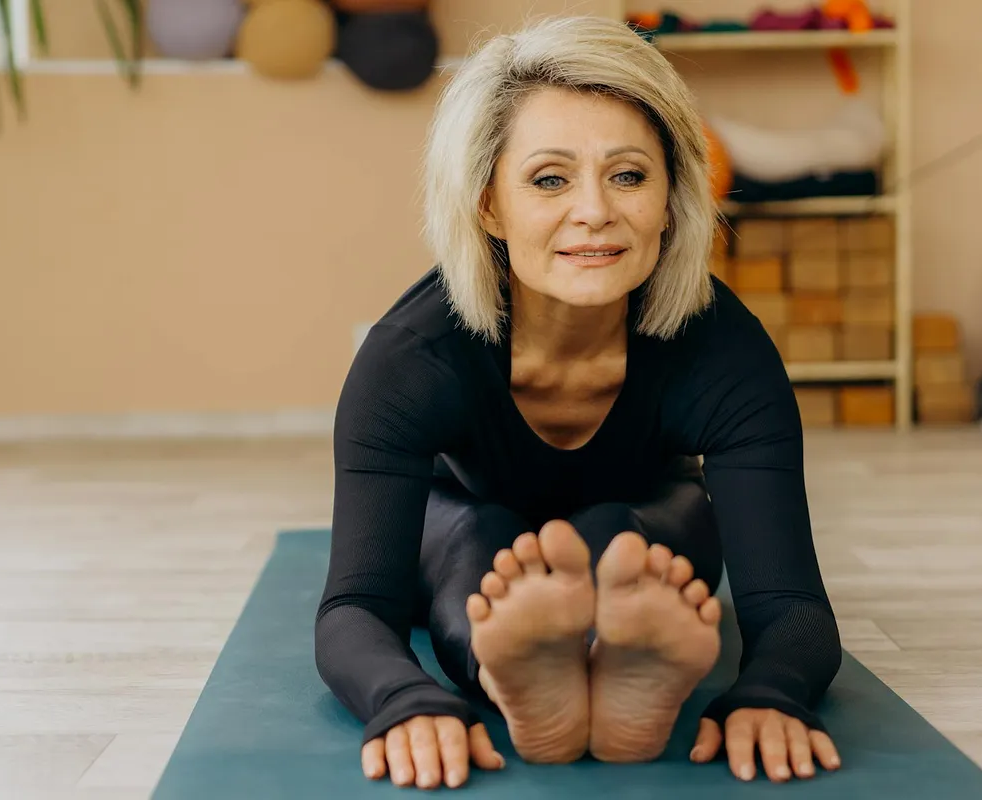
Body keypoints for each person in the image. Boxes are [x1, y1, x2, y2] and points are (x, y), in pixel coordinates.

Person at [314, 13, 843, 791]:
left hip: (647, 523)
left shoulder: (725, 351)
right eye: (550, 178)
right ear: (489, 203)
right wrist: (407, 699)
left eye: (628, 175)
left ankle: (613, 659)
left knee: (623, 533)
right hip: (462, 516)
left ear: (671, 196)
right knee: (477, 532)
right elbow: (356, 605)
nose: (594, 211)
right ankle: (515, 675)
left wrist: (770, 694)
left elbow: (791, 602)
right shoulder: (412, 359)